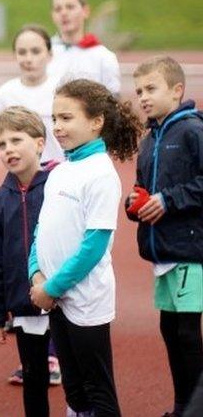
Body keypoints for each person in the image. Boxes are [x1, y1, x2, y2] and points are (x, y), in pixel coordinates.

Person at [28, 78, 142, 416]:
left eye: (67, 118)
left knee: (97, 390)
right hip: (54, 297)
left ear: (96, 122)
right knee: (74, 389)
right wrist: (35, 272)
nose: (58, 127)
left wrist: (52, 286)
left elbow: (93, 247)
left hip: (84, 302)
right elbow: (41, 227)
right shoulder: (62, 169)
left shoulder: (101, 174)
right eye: (54, 119)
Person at [129, 56, 203, 417]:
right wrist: (135, 203)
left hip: (191, 249)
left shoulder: (192, 130)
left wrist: (168, 200)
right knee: (170, 331)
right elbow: (144, 187)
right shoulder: (148, 140)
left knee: (188, 334)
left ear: (177, 91)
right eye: (139, 90)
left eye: (151, 88)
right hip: (162, 251)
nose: (142, 96)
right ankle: (181, 407)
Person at [0, 106, 52, 417]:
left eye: (16, 140)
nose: (8, 149)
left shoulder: (57, 187)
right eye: (2, 144)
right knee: (34, 380)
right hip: (25, 308)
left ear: (39, 142)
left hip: (65, 302)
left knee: (82, 379)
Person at [0, 25, 64, 164]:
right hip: (21, 176)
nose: (28, 59)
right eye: (22, 52)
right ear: (15, 55)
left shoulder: (63, 91)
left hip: (61, 172)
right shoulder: (5, 94)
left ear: (50, 54)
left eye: (36, 51)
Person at [49, 0, 120, 96]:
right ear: (52, 15)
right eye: (58, 9)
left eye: (70, 7)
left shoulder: (103, 56)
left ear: (85, 11)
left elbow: (113, 98)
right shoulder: (44, 53)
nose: (64, 13)